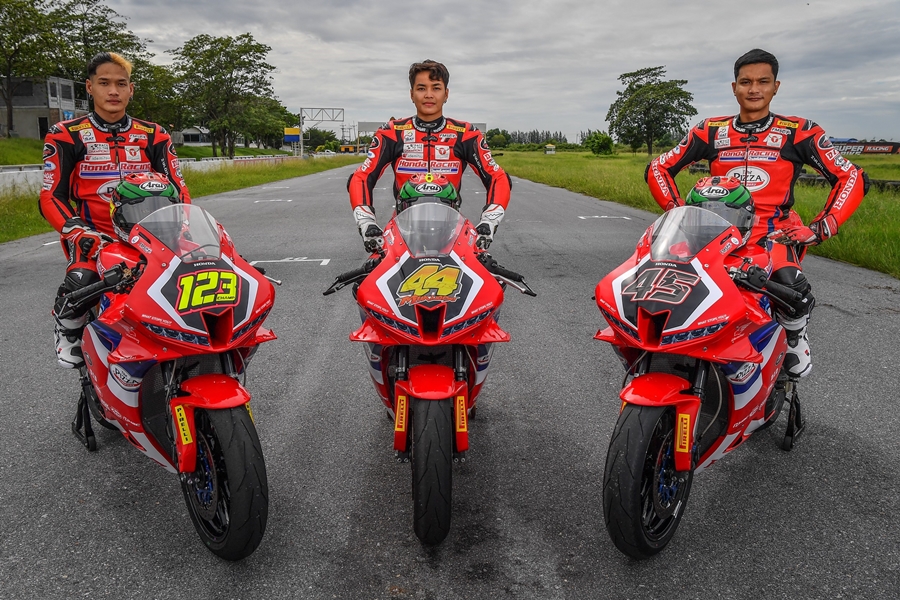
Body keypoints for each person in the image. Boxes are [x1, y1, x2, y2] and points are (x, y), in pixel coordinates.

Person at [645, 48, 867, 378]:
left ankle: (795, 336)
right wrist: (679, 212)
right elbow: (658, 168)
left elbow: (852, 176)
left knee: (790, 287)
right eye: (746, 82)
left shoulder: (799, 130)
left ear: (776, 86)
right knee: (664, 278)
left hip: (774, 233)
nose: (754, 89)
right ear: (734, 87)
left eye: (763, 81)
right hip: (715, 231)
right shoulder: (710, 129)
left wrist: (821, 227)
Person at [40, 52, 191, 368]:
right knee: (82, 279)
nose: (113, 91)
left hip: (151, 235)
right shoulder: (65, 133)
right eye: (104, 83)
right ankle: (66, 326)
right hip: (94, 237)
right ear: (89, 87)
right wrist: (78, 232)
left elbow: (179, 190)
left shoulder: (155, 134)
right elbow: (51, 196)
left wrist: (182, 225)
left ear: (131, 89)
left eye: (121, 84)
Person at [347, 59, 512, 253]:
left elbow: (498, 176)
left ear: (446, 94)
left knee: (485, 271)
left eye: (436, 88)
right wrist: (366, 221)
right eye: (421, 88)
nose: (428, 95)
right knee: (373, 271)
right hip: (401, 232)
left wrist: (489, 221)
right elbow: (361, 177)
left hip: (453, 232)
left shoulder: (466, 134)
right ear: (411, 94)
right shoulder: (392, 132)